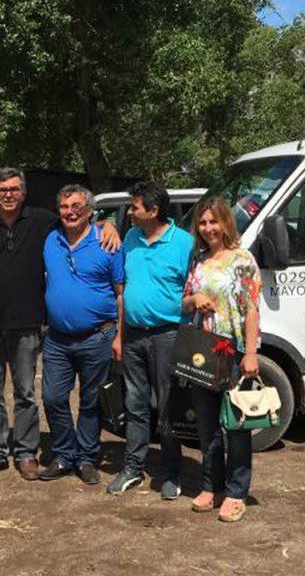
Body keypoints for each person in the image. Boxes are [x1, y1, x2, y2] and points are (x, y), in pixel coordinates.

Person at [0, 168, 119, 480]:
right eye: (2, 189)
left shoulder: (42, 221)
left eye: (14, 189)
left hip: (27, 324)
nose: (8, 194)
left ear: (23, 192)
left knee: (25, 393)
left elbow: (79, 220)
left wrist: (107, 224)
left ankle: (26, 453)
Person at [106, 181, 193, 499]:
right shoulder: (131, 237)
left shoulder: (183, 243)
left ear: (154, 210)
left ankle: (171, 472)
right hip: (133, 336)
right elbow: (123, 288)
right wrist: (120, 335)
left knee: (169, 406)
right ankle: (132, 468)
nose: (129, 212)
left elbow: (194, 289)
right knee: (135, 404)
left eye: (135, 207)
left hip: (167, 336)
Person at [182, 197, 261, 522]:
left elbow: (252, 308)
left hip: (234, 351)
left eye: (213, 221)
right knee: (206, 424)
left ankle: (236, 491)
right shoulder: (198, 259)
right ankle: (211, 486)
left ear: (226, 222)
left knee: (236, 425)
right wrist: (195, 298)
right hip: (203, 350)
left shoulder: (242, 259)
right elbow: (184, 302)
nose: (208, 228)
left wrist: (251, 354)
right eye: (202, 223)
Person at [38, 185, 124, 485]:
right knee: (52, 397)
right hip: (57, 338)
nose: (70, 212)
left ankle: (86, 458)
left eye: (76, 206)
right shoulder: (51, 239)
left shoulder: (107, 243)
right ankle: (64, 454)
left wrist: (120, 335)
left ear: (88, 210)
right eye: (64, 207)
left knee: (91, 401)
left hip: (97, 336)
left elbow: (120, 293)